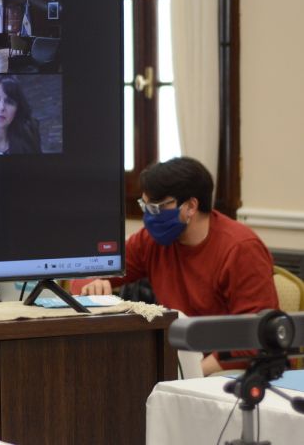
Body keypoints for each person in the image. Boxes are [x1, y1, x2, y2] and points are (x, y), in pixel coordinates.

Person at [80, 157, 279, 375]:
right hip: (180, 355)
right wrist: (94, 283)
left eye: (155, 208)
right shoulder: (151, 241)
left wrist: (189, 374)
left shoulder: (241, 249)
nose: (148, 217)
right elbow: (84, 272)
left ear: (190, 206)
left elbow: (255, 335)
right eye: (143, 206)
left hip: (228, 368)